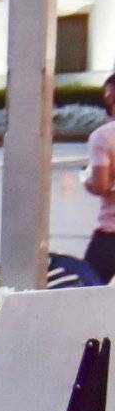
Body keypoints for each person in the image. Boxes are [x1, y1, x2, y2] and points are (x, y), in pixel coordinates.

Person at [85, 72, 115, 283]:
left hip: (110, 234)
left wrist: (85, 180)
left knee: (86, 291)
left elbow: (100, 186)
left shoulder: (103, 136)